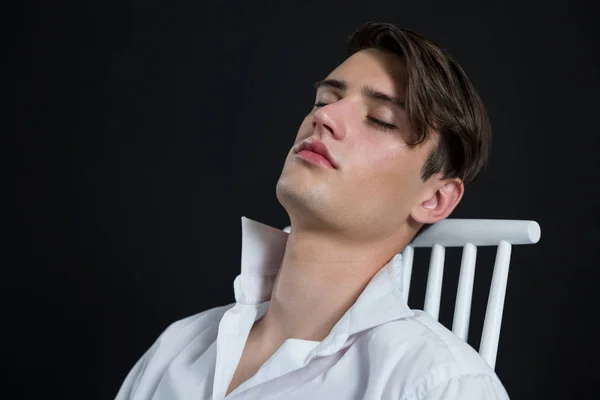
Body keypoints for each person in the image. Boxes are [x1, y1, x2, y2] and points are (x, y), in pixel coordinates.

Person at [116, 21, 508, 399]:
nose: (324, 117)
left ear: (433, 199)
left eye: (380, 120)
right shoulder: (177, 349)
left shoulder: (441, 384)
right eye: (324, 100)